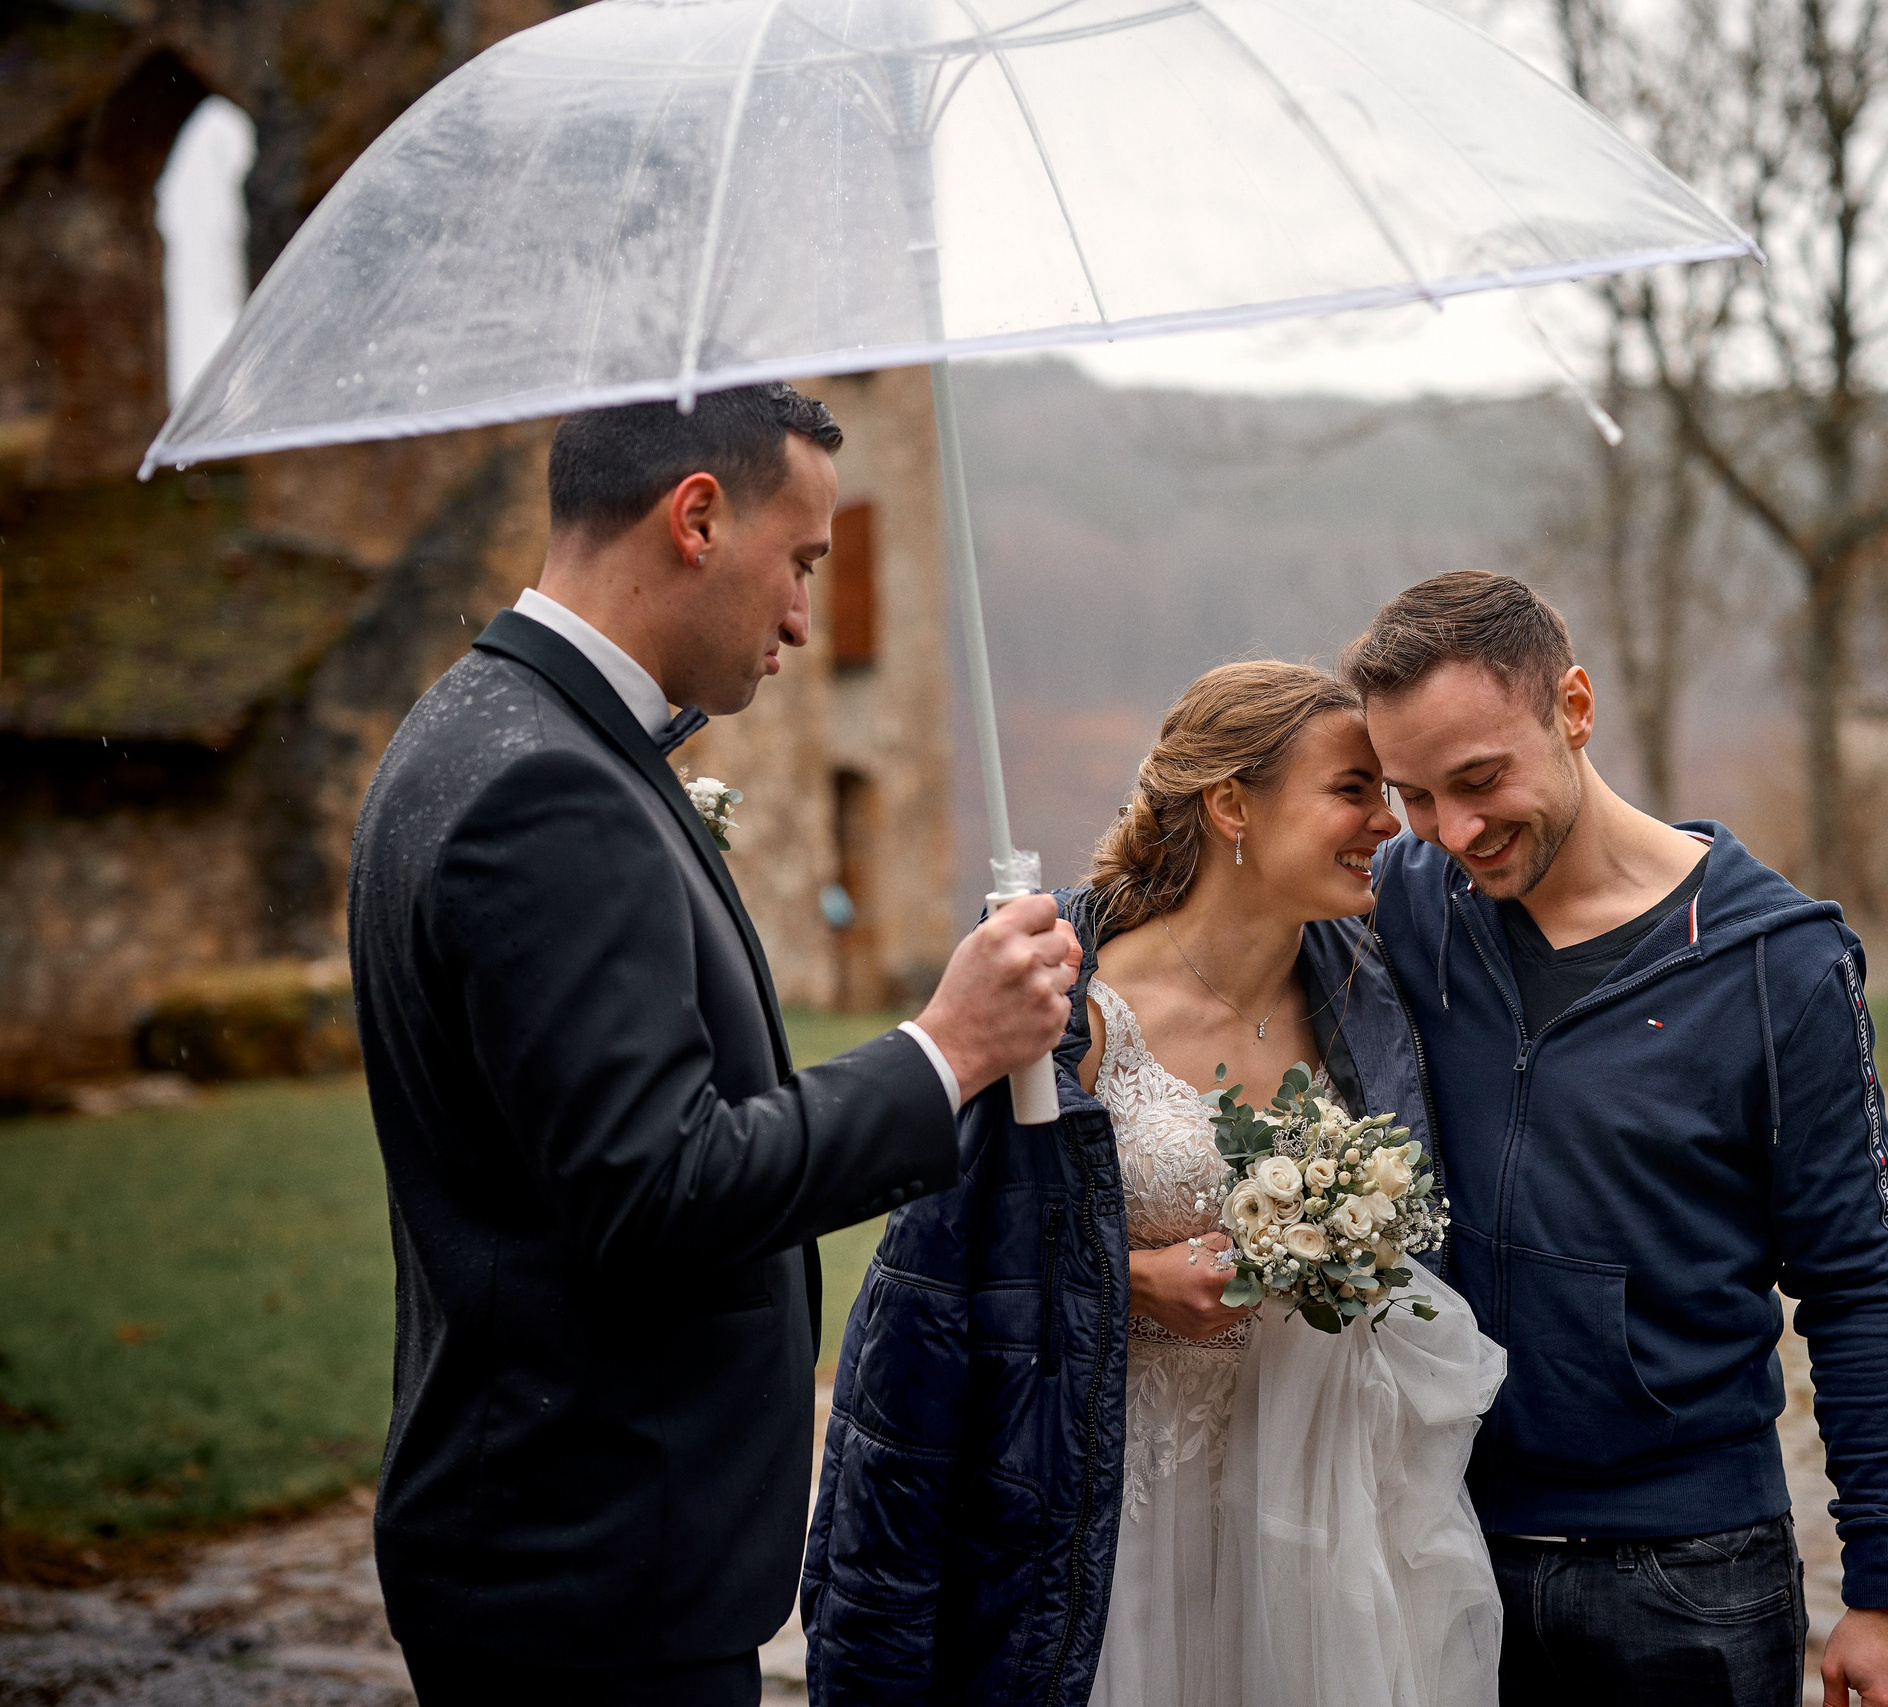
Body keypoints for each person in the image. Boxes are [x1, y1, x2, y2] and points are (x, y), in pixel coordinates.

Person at [346, 383, 1081, 1707]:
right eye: (800, 560)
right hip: (593, 1566)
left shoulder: (480, 726)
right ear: (695, 517)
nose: (805, 613)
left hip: (555, 1535)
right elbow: (658, 1187)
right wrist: (947, 1048)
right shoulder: (546, 789)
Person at [801, 662, 1508, 1707]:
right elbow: (956, 1278)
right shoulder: (1067, 1012)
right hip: (1107, 1509)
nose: (1390, 827)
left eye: (1387, 795)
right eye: (1351, 791)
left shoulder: (1372, 1004)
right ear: (1231, 802)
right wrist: (1127, 1282)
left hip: (1311, 1516)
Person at [1345, 572, 1888, 1707]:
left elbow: (1856, 1288)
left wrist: (1885, 1590)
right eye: (1412, 797)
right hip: (1443, 1546)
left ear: (1573, 706)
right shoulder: (1409, 901)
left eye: (1477, 782)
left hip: (1693, 1576)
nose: (1449, 833)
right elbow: (1210, 905)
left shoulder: (1782, 968)